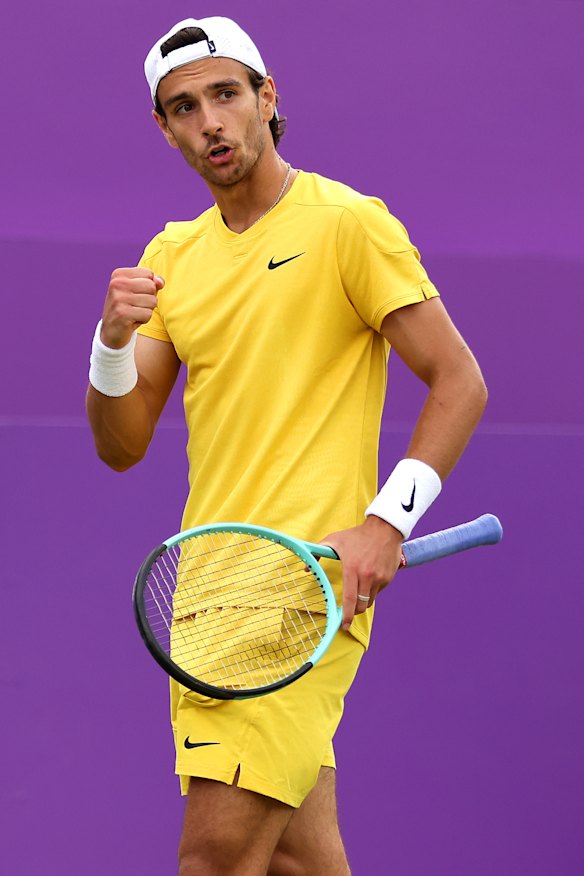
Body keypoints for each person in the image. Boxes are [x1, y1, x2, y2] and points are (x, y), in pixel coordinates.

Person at [86, 16, 487, 876]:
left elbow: (460, 383)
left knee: (216, 858)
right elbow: (121, 444)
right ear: (165, 128)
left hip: (303, 594)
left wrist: (386, 522)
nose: (211, 124)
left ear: (269, 100)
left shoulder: (348, 224)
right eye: (184, 108)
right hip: (202, 597)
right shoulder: (173, 257)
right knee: (295, 863)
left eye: (227, 95)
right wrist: (111, 344)